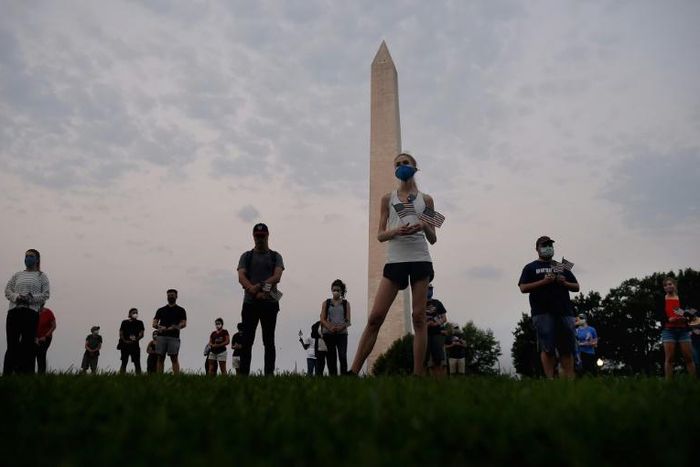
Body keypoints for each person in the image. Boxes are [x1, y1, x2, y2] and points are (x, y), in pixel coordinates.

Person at [350, 153, 437, 376]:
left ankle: (418, 375)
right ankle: (353, 371)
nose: (401, 167)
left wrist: (422, 226)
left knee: (418, 317)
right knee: (375, 317)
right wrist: (396, 230)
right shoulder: (387, 198)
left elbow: (434, 237)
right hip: (396, 259)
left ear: (415, 167)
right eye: (397, 164)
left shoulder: (426, 199)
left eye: (405, 163)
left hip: (419, 258)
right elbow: (380, 235)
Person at [518, 236, 579, 379]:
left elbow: (576, 287)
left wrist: (564, 283)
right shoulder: (530, 267)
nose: (548, 247)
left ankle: (569, 380)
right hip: (542, 312)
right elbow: (523, 288)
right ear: (537, 248)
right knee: (547, 348)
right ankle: (550, 380)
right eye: (544, 245)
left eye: (550, 245)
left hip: (565, 312)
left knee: (567, 348)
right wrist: (544, 281)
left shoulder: (561, 266)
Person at [237, 223, 285, 376]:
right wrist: (253, 291)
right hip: (250, 304)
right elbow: (241, 277)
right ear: (253, 236)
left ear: (268, 235)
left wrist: (257, 287)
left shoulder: (276, 256)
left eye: (262, 236)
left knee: (269, 341)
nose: (260, 239)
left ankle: (268, 375)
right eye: (257, 236)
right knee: (246, 342)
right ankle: (244, 375)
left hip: (270, 304)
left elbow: (277, 277)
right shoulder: (246, 256)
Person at [4, 249, 50, 374]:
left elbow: (46, 294)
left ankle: (25, 374)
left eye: (31, 256)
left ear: (37, 259)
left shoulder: (41, 276)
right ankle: (7, 374)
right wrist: (17, 297)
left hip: (30, 313)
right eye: (26, 256)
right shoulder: (17, 275)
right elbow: (8, 290)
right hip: (14, 311)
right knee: (12, 345)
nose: (28, 258)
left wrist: (31, 299)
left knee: (28, 345)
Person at [660, 277, 696, 379]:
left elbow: (692, 311)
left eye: (670, 284)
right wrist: (668, 320)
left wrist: (686, 317)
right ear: (664, 288)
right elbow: (659, 315)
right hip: (668, 331)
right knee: (670, 359)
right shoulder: (661, 299)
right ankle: (669, 384)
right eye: (665, 285)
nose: (668, 286)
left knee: (689, 358)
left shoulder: (683, 298)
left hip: (683, 331)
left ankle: (693, 383)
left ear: (675, 285)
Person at [320, 279, 352, 375]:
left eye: (338, 290)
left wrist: (340, 328)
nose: (336, 292)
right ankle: (333, 377)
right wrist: (330, 328)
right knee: (331, 357)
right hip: (329, 334)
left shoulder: (346, 304)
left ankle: (344, 376)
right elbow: (322, 319)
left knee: (342, 356)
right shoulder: (326, 303)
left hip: (342, 334)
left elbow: (348, 321)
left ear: (341, 291)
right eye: (334, 290)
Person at [152, 289, 187, 374]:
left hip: (174, 337)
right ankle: (159, 377)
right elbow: (154, 322)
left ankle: (177, 377)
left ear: (176, 296)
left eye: (172, 295)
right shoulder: (161, 310)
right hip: (161, 336)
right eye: (169, 295)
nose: (170, 296)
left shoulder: (181, 310)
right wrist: (158, 326)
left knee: (174, 358)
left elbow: (184, 323)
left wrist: (176, 327)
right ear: (167, 296)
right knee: (160, 358)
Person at [425, 284, 447, 377]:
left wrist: (436, 323)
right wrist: (426, 325)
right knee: (424, 360)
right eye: (428, 289)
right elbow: (416, 319)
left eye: (431, 289)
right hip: (424, 335)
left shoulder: (437, 303)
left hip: (436, 334)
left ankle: (439, 381)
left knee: (438, 360)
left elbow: (444, 318)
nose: (429, 291)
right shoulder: (419, 302)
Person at [119, 308, 144, 374]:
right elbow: (121, 333)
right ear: (130, 314)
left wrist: (135, 340)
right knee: (124, 362)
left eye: (136, 312)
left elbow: (141, 334)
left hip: (135, 345)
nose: (135, 314)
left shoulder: (140, 323)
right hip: (125, 345)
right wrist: (125, 341)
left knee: (137, 362)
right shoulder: (124, 322)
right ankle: (121, 376)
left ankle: (139, 377)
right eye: (133, 313)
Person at [35, 306, 56, 374]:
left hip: (46, 338)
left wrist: (45, 336)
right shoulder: (33, 312)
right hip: (34, 338)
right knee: (32, 355)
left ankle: (41, 373)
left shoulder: (48, 312)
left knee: (41, 354)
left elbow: (54, 326)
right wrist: (35, 338)